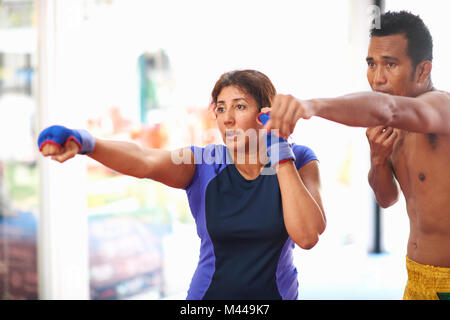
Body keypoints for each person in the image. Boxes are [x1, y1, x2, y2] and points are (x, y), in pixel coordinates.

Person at [37, 69, 326, 300]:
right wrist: (86, 142)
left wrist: (279, 148)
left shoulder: (299, 158)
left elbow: (307, 236)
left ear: (266, 114)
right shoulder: (203, 162)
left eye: (240, 106)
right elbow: (145, 159)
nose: (227, 118)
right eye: (221, 109)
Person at [267, 11, 450, 300]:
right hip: (416, 275)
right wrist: (378, 159)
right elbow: (387, 199)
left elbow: (387, 107)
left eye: (391, 64)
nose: (377, 78)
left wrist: (311, 106)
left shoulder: (440, 108)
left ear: (422, 71)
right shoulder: (394, 125)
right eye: (371, 64)